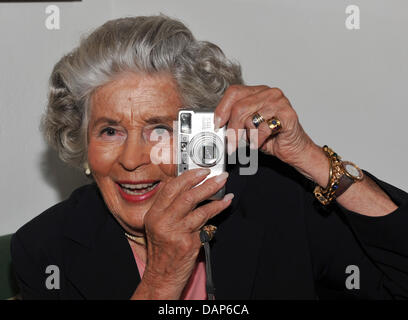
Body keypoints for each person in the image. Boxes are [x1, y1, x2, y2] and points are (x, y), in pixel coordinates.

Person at [10, 15, 408, 300]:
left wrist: (311, 158)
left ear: (201, 135)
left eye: (159, 129)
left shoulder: (278, 203)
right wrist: (162, 278)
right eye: (110, 130)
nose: (132, 159)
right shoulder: (46, 250)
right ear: (82, 145)